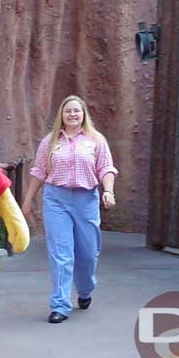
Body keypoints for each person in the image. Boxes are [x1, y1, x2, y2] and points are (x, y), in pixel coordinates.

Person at [22, 94, 118, 323]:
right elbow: (39, 171)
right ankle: (60, 305)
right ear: (61, 116)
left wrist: (108, 190)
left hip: (86, 199)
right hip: (56, 199)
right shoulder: (51, 141)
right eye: (68, 111)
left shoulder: (95, 140)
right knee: (61, 253)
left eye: (77, 110)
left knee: (87, 253)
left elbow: (106, 167)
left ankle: (85, 289)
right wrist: (27, 201)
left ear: (83, 114)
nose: (73, 114)